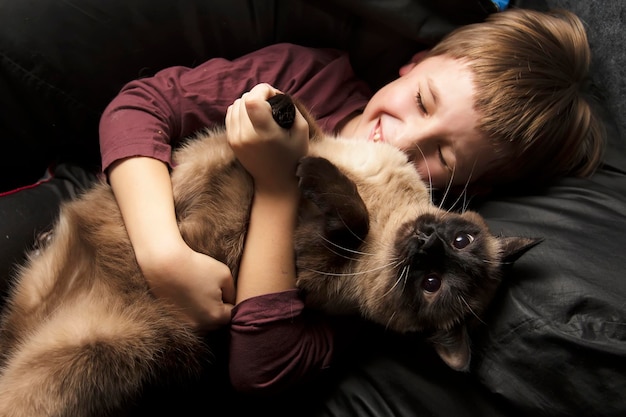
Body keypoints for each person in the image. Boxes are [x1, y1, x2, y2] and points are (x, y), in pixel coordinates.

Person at [95, 7, 604, 393]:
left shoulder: (386, 273)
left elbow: (261, 368)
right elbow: (143, 105)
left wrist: (276, 187)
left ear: (471, 189)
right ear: (415, 63)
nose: (407, 138)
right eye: (423, 101)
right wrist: (160, 250)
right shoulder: (311, 77)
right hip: (114, 216)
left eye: (443, 157)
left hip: (127, 331)